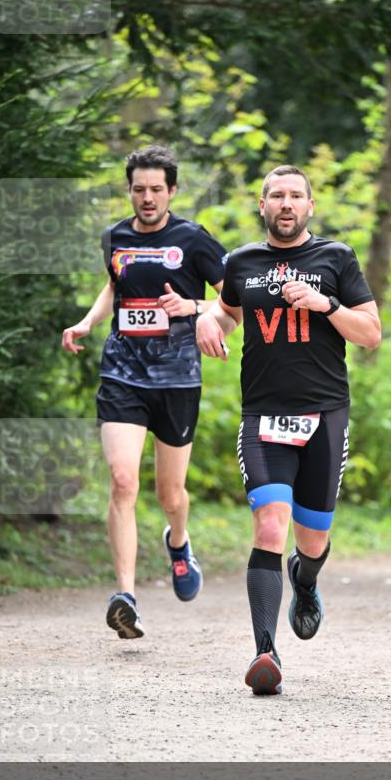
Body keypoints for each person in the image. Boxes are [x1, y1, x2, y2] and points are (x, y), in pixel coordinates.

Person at [196, 165, 380, 695]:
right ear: (262, 205)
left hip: (325, 416)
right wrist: (209, 319)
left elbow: (370, 334)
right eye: (276, 195)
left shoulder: (336, 259)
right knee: (270, 528)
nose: (285, 203)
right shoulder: (243, 263)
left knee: (312, 539)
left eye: (295, 195)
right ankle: (265, 654)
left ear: (309, 206)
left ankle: (306, 579)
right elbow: (227, 312)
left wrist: (327, 304)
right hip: (263, 416)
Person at [62, 145, 226, 639]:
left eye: (157, 189)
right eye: (139, 189)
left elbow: (231, 303)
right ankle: (126, 597)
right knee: (122, 480)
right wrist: (89, 321)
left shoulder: (194, 239)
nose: (148, 197)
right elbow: (115, 285)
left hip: (177, 379)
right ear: (129, 190)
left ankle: (178, 543)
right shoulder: (115, 236)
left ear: (172, 190)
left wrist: (193, 309)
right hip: (123, 373)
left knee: (170, 494)